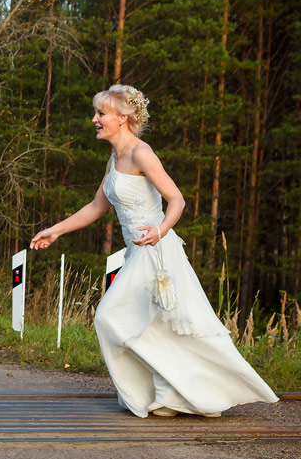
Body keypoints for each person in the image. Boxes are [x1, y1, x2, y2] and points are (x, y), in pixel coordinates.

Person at [30, 85, 277, 418]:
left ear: (123, 118)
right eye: (97, 113)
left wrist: (160, 230)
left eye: (101, 114)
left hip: (157, 254)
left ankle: (178, 391)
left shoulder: (141, 153)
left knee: (109, 317)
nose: (95, 119)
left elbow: (177, 200)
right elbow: (96, 206)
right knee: (155, 326)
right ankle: (167, 394)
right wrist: (55, 230)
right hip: (137, 253)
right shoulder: (114, 159)